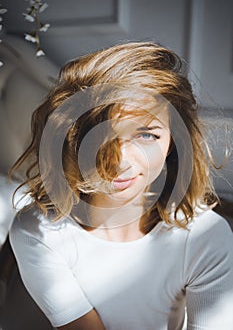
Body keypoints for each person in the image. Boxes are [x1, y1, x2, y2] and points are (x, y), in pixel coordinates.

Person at [9, 42, 233, 330]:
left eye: (146, 135)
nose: (121, 162)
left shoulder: (206, 237)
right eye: (100, 134)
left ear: (173, 141)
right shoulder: (38, 231)